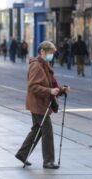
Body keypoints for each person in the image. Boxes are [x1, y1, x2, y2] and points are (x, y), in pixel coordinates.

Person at [15, 41, 69, 169]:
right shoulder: (37, 66)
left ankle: (22, 154)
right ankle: (48, 161)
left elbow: (51, 85)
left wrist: (61, 89)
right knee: (47, 131)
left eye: (53, 53)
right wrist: (49, 91)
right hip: (38, 105)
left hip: (40, 104)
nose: (52, 55)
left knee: (37, 130)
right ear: (42, 52)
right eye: (50, 53)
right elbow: (33, 86)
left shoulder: (45, 65)